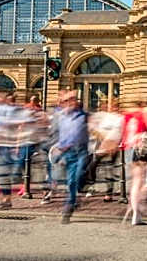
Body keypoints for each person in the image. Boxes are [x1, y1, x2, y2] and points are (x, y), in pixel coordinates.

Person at [122, 95, 147, 225]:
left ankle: (135, 212)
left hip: (132, 147)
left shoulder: (131, 114)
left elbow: (125, 131)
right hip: (145, 147)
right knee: (145, 181)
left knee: (135, 182)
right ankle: (138, 211)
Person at [54, 90, 88, 224]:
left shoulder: (84, 115)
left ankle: (74, 197)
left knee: (79, 176)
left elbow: (95, 125)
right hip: (68, 151)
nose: (71, 102)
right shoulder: (60, 115)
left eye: (73, 100)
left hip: (82, 151)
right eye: (68, 101)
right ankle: (70, 205)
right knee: (71, 181)